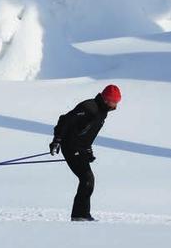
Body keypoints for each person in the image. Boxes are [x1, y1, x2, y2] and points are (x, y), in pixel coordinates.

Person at [49, 84, 121, 222]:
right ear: (106, 99)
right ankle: (79, 215)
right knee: (87, 179)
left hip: (79, 148)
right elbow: (65, 120)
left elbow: (86, 132)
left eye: (117, 101)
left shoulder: (102, 111)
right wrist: (57, 140)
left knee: (87, 180)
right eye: (114, 101)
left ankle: (81, 215)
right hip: (70, 146)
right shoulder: (89, 107)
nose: (115, 105)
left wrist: (87, 149)